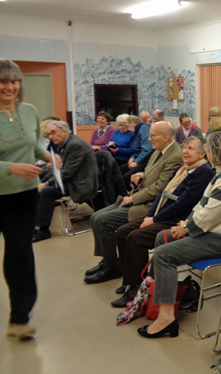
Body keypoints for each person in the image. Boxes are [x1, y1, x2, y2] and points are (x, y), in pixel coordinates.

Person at [137, 131, 221, 339]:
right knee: (161, 237)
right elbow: (203, 205)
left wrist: (187, 228)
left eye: (207, 150)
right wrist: (186, 223)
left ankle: (165, 318)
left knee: (163, 254)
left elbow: (210, 215)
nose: (205, 154)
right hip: (216, 232)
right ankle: (157, 297)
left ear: (214, 152)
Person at [112, 136, 214, 307]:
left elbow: (184, 204)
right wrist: (149, 216)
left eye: (190, 148)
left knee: (136, 238)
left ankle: (138, 289)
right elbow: (163, 194)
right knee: (123, 232)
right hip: (162, 214)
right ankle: (130, 281)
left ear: (202, 154)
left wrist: (155, 219)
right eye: (184, 147)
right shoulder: (183, 168)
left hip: (178, 220)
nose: (185, 151)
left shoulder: (203, 172)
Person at [84, 121, 182, 284]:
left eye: (152, 136)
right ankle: (109, 260)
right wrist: (142, 174)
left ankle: (112, 267)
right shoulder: (159, 151)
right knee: (95, 217)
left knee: (102, 221)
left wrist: (133, 198)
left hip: (148, 206)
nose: (149, 139)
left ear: (165, 137)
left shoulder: (175, 156)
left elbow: (161, 188)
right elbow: (154, 174)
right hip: (139, 196)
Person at [0, 59, 55, 339]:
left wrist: (46, 155)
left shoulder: (30, 111)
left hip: (23, 196)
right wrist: (10, 166)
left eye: (14, 81)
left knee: (20, 253)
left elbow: (32, 143)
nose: (9, 87)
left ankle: (19, 317)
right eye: (3, 81)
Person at [32, 120, 99, 242]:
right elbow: (62, 168)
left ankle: (43, 230)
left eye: (53, 133)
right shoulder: (66, 143)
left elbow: (67, 172)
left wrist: (46, 183)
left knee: (47, 191)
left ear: (65, 131)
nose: (51, 137)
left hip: (80, 183)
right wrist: (45, 179)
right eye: (49, 135)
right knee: (41, 173)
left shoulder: (75, 145)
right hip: (73, 178)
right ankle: (36, 221)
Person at [120, 115, 153, 187]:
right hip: (139, 159)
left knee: (126, 176)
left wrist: (136, 161)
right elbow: (137, 149)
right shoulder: (137, 131)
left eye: (128, 126)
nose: (128, 129)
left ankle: (128, 195)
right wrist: (132, 157)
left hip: (146, 161)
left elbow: (147, 149)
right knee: (119, 170)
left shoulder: (144, 128)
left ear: (132, 123)